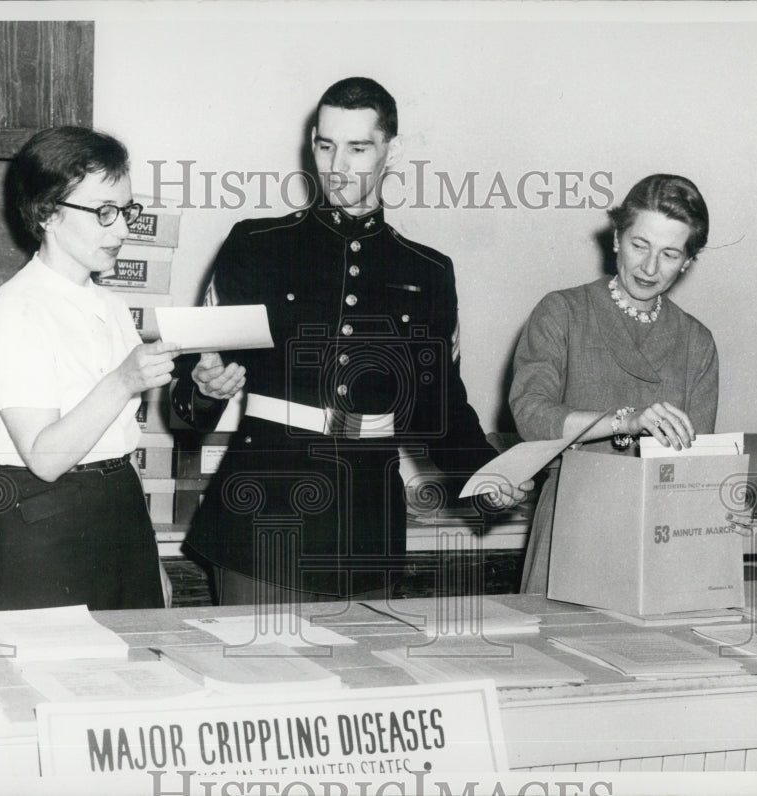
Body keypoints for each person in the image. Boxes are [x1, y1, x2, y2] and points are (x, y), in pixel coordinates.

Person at [173, 77, 531, 606]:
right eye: (325, 145)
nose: (337, 165)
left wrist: (485, 478)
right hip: (261, 518)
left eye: (358, 148)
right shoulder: (257, 246)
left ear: (393, 149)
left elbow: (438, 409)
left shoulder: (427, 271)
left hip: (367, 531)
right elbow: (190, 389)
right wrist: (204, 387)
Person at [0, 126, 180, 611]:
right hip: (44, 523)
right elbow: (45, 457)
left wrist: (148, 553)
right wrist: (124, 379)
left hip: (120, 510)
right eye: (104, 213)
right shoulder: (13, 310)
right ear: (47, 213)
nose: (123, 230)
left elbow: (117, 446)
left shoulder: (108, 304)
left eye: (126, 211)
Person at [510, 173, 718, 594]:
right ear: (617, 239)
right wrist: (627, 420)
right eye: (640, 245)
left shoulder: (697, 342)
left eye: (670, 254)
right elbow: (532, 417)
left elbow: (695, 471)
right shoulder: (562, 312)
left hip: (658, 537)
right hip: (572, 522)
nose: (649, 267)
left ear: (688, 262)